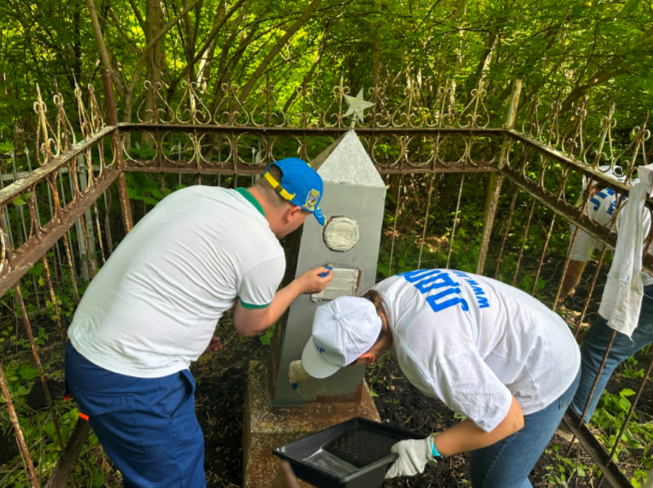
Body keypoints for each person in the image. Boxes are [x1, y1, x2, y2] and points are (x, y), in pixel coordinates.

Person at [64, 157, 333, 488]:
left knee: (150, 476)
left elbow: (175, 270)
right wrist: (299, 286)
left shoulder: (195, 195)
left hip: (85, 350)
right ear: (293, 213)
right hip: (133, 379)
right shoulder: (264, 249)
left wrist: (191, 332)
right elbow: (250, 325)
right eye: (304, 220)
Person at [300, 269, 581, 488]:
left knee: (496, 480)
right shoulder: (384, 295)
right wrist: (304, 366)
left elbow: (509, 420)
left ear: (366, 359)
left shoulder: (427, 353)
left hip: (545, 368)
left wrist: (429, 449)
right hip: (537, 324)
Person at [559, 181, 653, 423]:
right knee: (603, 336)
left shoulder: (587, 208)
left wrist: (560, 297)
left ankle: (572, 422)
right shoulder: (633, 189)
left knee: (602, 351)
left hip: (648, 282)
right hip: (645, 274)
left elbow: (572, 273)